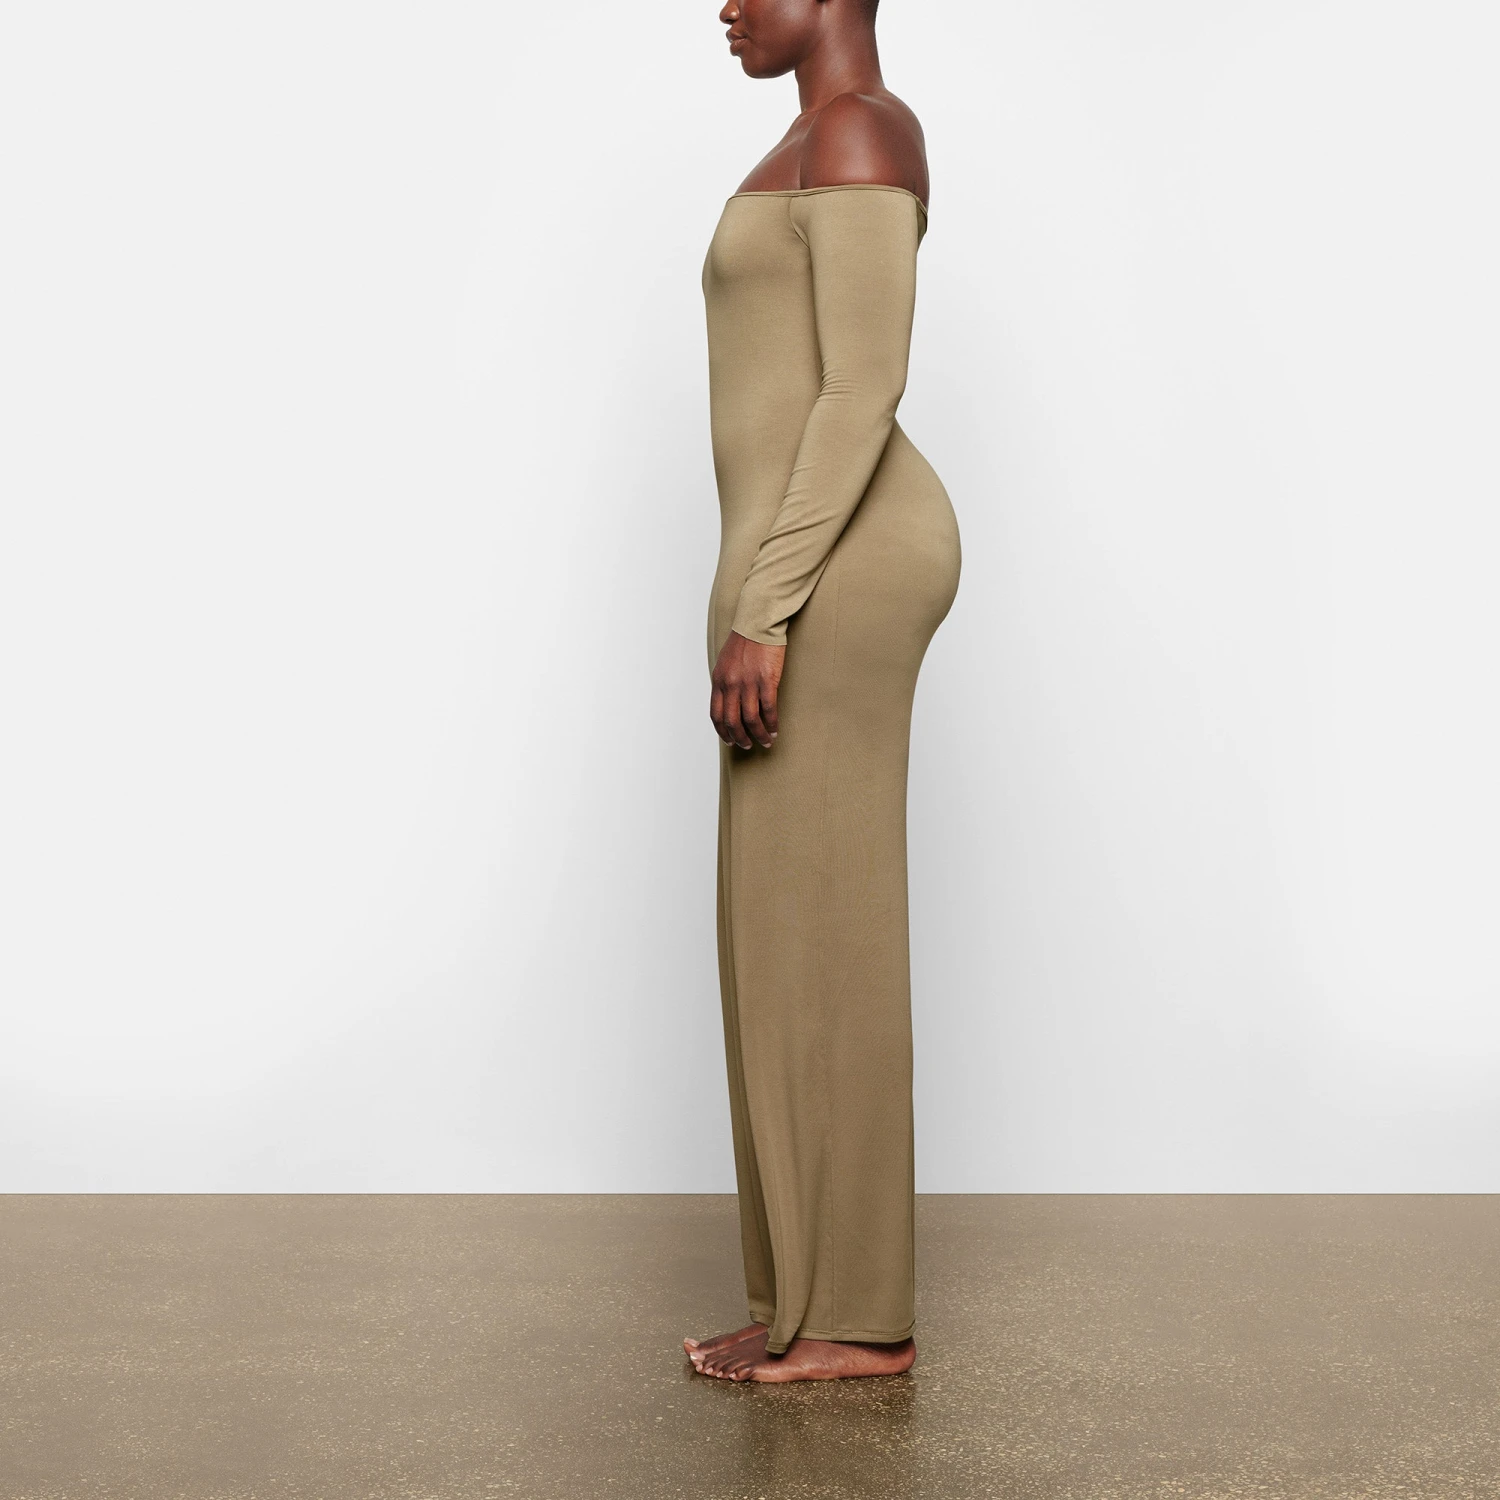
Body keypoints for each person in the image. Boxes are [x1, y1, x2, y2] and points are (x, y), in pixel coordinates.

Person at [684, 0, 961, 1384]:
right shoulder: (814, 140)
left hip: (836, 572)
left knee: (827, 934)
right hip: (794, 572)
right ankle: (799, 1292)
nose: (725, 5)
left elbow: (861, 390)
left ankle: (856, 1313)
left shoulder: (859, 134)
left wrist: (768, 605)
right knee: (776, 939)